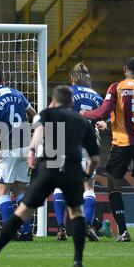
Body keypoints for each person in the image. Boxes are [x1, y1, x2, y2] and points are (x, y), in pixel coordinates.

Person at [0, 85, 100, 267]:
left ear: (54, 101)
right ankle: (78, 261)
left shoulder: (47, 114)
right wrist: (87, 173)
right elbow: (95, 157)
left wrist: (32, 151)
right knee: (76, 213)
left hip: (49, 168)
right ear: (71, 102)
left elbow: (38, 134)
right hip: (72, 170)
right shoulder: (82, 120)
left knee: (22, 212)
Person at [80, 57, 134, 242]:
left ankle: (124, 231)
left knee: (113, 185)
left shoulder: (116, 87)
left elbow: (101, 113)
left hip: (121, 144)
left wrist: (85, 114)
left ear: (125, 69)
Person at [52, 61, 111, 241]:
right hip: (88, 143)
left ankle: (61, 228)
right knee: (88, 186)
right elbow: (104, 120)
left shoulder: (65, 93)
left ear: (71, 78)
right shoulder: (96, 97)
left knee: (59, 184)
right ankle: (87, 224)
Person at [0, 67, 37, 241]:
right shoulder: (17, 93)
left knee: (3, 191)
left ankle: (10, 232)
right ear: (3, 79)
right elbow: (34, 115)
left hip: (9, 147)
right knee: (21, 191)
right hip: (26, 146)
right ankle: (27, 232)